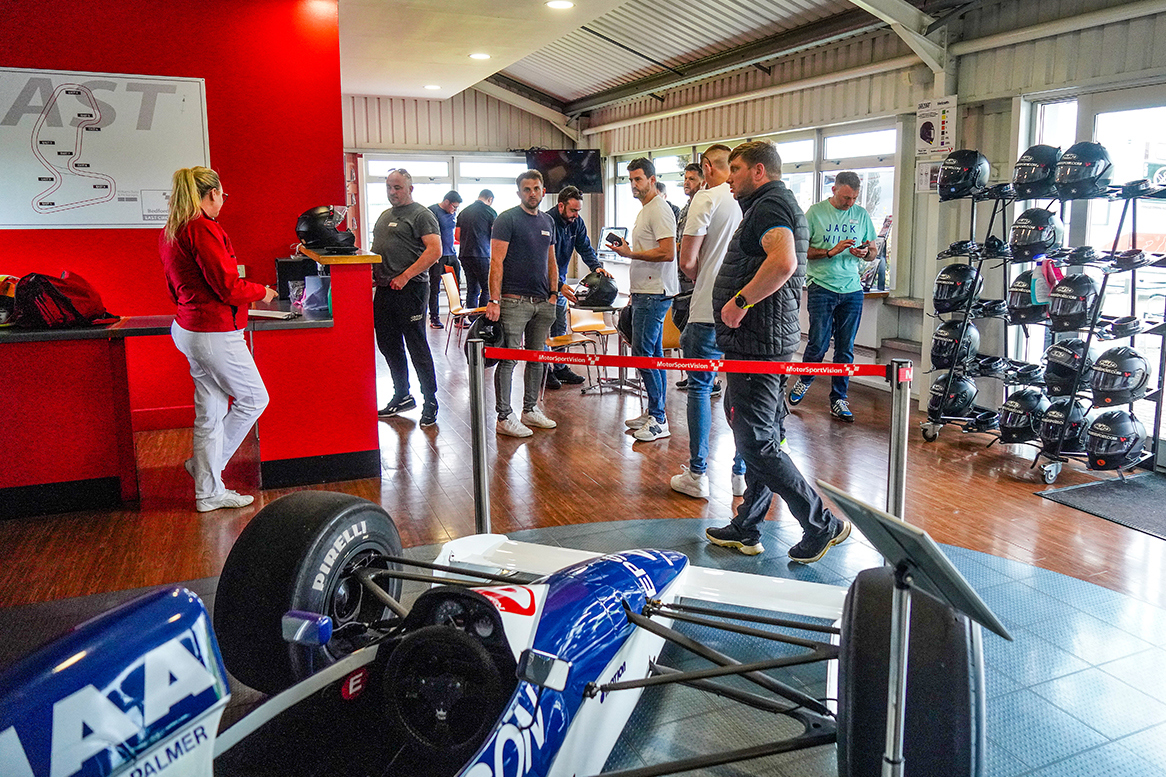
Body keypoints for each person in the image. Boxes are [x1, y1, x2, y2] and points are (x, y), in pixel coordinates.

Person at [705, 141, 850, 563]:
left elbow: (783, 262)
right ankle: (747, 525)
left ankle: (821, 523)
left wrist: (740, 303)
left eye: (734, 169)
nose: (728, 177)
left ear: (759, 171)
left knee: (757, 443)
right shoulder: (771, 204)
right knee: (758, 436)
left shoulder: (770, 207)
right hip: (762, 343)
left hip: (757, 344)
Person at [159, 166, 277, 513]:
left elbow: (173, 286)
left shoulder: (172, 229)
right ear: (212, 194)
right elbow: (227, 286)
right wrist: (264, 292)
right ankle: (204, 471)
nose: (223, 202)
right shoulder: (201, 228)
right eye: (222, 195)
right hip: (213, 332)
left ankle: (207, 491)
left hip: (188, 327)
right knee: (254, 399)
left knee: (209, 414)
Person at [670, 144, 746, 500]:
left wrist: (705, 279)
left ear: (705, 168)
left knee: (700, 388)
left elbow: (687, 260)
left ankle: (698, 474)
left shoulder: (705, 199)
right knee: (741, 391)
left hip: (706, 310)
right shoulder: (746, 201)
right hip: (743, 311)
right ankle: (740, 473)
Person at [486, 170, 576, 437]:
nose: (532, 193)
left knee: (538, 358)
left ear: (543, 191)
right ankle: (504, 417)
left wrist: (553, 293)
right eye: (527, 189)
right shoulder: (507, 219)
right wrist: (494, 299)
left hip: (543, 302)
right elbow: (496, 262)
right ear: (519, 193)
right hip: (513, 301)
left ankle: (530, 409)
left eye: (536, 188)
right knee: (510, 358)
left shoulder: (548, 221)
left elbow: (552, 261)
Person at [788, 171, 876, 422]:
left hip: (852, 290)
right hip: (822, 286)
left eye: (855, 198)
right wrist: (831, 251)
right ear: (834, 189)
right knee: (818, 343)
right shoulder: (815, 213)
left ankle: (838, 398)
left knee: (845, 348)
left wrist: (864, 253)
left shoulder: (860, 215)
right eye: (847, 197)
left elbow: (873, 251)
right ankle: (805, 379)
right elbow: (802, 251)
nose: (850, 203)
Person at [611, 158, 678, 442]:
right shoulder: (645, 210)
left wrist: (629, 255)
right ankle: (654, 410)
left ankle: (659, 418)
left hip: (655, 292)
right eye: (631, 180)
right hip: (644, 291)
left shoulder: (659, 210)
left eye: (638, 179)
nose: (634, 185)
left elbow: (668, 253)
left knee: (643, 353)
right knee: (653, 354)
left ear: (652, 179)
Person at [370, 169, 442, 426]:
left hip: (411, 290)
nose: (392, 192)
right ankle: (402, 395)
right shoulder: (384, 216)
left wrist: (406, 276)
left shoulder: (422, 215)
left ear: (410, 188)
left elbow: (435, 250)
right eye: (389, 187)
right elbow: (377, 251)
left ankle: (430, 401)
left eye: (398, 187)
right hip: (385, 290)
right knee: (388, 345)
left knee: (416, 346)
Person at [546, 185, 611, 389]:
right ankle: (544, 372)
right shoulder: (547, 222)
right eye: (573, 211)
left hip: (561, 282)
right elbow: (538, 261)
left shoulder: (576, 223)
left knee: (559, 327)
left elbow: (585, 248)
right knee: (541, 330)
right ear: (561, 205)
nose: (575, 215)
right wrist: (558, 285)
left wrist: (597, 268)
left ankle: (560, 367)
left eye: (578, 211)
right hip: (542, 284)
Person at [673, 162, 702, 393]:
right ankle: (691, 373)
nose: (686, 182)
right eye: (685, 177)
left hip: (696, 278)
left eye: (692, 178)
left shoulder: (704, 206)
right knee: (684, 328)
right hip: (681, 277)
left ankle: (706, 379)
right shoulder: (686, 208)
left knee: (697, 332)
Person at [457, 189, 496, 321]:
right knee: (486, 288)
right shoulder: (490, 212)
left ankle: (472, 320)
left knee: (472, 288)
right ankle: (482, 320)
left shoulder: (463, 212)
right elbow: (495, 236)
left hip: (464, 255)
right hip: (482, 254)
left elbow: (457, 236)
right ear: (489, 199)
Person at [427, 190, 463, 329]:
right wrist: (431, 254)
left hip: (451, 254)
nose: (454, 210)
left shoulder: (452, 214)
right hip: (438, 256)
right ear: (446, 202)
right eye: (453, 206)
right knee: (435, 287)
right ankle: (434, 318)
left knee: (455, 286)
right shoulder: (432, 211)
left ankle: (458, 317)